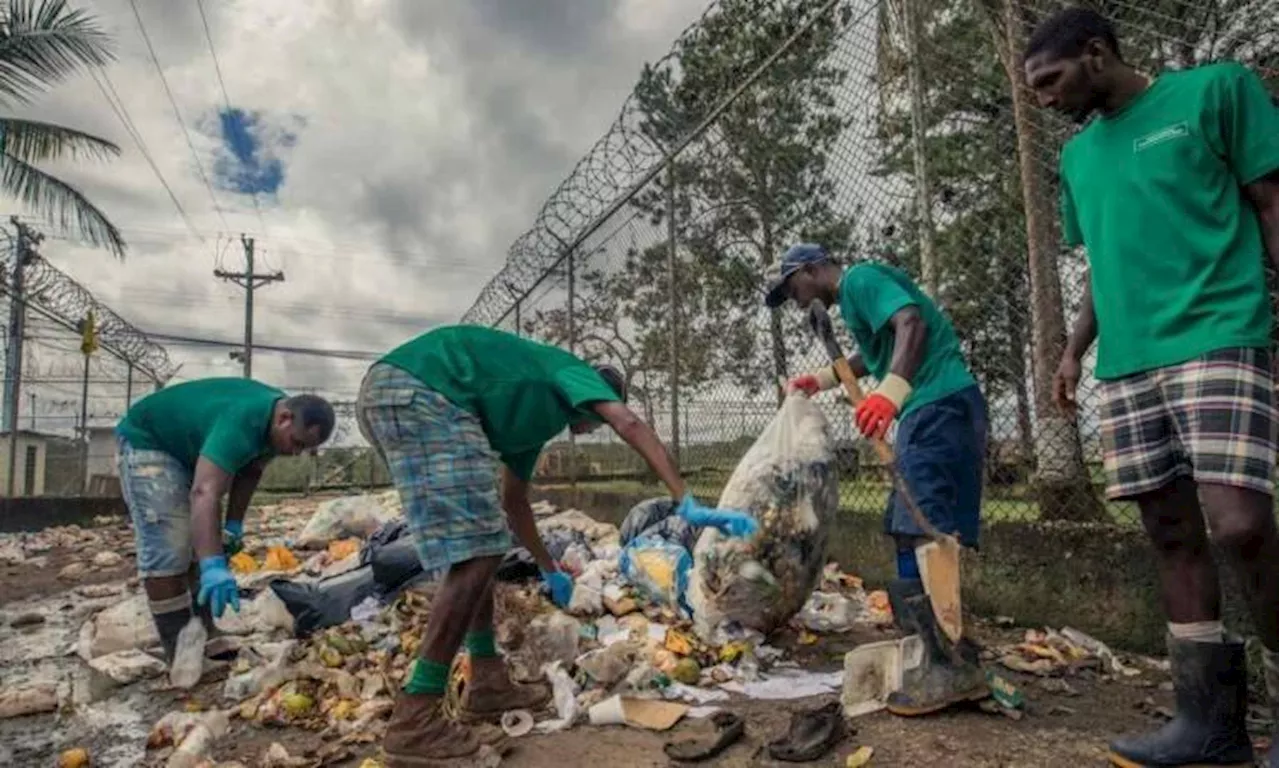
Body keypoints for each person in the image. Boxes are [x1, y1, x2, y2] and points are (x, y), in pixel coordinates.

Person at [1025, 7, 1280, 767]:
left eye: (1051, 80)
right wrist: (1074, 350)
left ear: (1097, 55)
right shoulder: (1080, 159)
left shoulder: (1216, 92)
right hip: (1127, 361)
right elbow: (1104, 262)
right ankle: (1208, 726)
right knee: (1170, 533)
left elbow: (1270, 204)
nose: (1043, 99)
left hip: (1218, 331)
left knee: (1239, 523)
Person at [358, 324, 756, 765]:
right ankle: (416, 717)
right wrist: (686, 500)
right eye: (600, 411)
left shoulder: (529, 424)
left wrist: (549, 568)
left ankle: (487, 680)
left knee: (483, 545)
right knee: (475, 551)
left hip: (406, 393)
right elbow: (628, 421)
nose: (599, 422)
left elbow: (514, 503)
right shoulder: (573, 371)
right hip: (421, 392)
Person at [764, 242, 990, 717]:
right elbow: (874, 354)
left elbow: (912, 324)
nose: (797, 301)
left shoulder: (860, 280)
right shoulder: (851, 302)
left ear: (810, 270)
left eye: (793, 289)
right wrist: (822, 379)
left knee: (917, 527)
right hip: (943, 407)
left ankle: (943, 664)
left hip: (936, 405)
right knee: (923, 527)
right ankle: (942, 650)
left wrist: (889, 396)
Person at [115, 379, 335, 664]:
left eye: (303, 449)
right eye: (296, 443)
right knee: (170, 545)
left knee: (202, 542)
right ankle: (181, 656)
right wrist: (213, 566)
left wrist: (232, 526)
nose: (295, 453)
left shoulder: (274, 427)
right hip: (150, 442)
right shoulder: (242, 421)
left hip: (188, 447)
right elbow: (205, 492)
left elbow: (249, 472)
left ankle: (204, 633)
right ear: (284, 418)